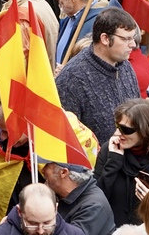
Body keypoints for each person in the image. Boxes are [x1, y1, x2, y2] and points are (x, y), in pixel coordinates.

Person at [55, 8, 141, 144]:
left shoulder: (126, 67)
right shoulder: (72, 79)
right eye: (126, 39)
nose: (133, 44)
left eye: (133, 38)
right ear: (105, 39)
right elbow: (65, 137)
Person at [94, 99, 149, 228]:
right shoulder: (109, 151)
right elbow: (97, 200)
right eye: (118, 127)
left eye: (126, 130)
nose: (118, 134)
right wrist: (113, 163)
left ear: (145, 130)